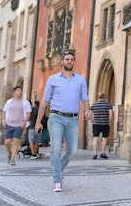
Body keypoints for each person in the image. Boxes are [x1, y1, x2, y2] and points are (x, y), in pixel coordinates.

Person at [35, 51, 90, 192]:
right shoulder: (52, 79)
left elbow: (85, 98)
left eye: (72, 59)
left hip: (73, 119)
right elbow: (45, 102)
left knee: (72, 151)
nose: (69, 61)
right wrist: (38, 121)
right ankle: (57, 181)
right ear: (62, 61)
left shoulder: (80, 80)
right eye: (67, 59)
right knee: (56, 149)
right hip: (56, 117)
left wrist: (87, 110)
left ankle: (58, 170)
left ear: (74, 62)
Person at [1, 86, 31, 165]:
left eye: (21, 90)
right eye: (18, 90)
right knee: (7, 143)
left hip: (19, 125)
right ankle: (9, 154)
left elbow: (28, 113)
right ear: (14, 92)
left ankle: (13, 159)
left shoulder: (25, 102)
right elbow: (4, 111)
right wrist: (3, 121)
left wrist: (24, 122)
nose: (20, 92)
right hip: (9, 124)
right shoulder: (9, 102)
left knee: (16, 142)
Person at [90, 93, 114, 160]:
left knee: (95, 138)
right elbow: (111, 115)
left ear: (98, 97)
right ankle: (102, 153)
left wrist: (92, 121)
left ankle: (94, 154)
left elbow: (90, 114)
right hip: (105, 124)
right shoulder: (108, 105)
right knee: (105, 138)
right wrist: (110, 123)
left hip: (96, 124)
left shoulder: (94, 104)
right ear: (104, 97)